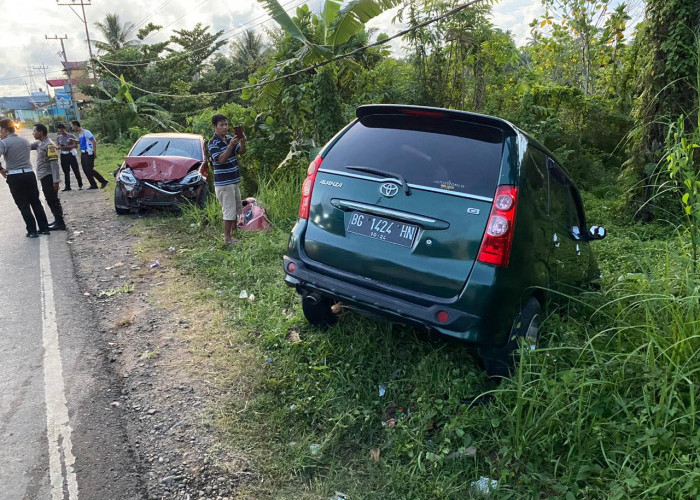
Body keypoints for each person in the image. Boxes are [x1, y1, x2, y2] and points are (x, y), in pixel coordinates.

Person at [0, 118, 50, 237]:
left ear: (5, 130)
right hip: (29, 174)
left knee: (23, 204)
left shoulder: (4, 142)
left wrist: (1, 170)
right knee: (35, 202)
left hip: (15, 176)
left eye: (0, 130)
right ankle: (44, 228)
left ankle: (32, 231)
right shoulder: (25, 140)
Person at [208, 114, 246, 245]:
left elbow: (241, 152)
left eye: (226, 124)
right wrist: (230, 146)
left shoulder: (229, 139)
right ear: (215, 127)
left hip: (234, 181)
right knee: (228, 211)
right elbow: (221, 160)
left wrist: (243, 142)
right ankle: (227, 239)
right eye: (221, 125)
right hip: (224, 183)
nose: (225, 127)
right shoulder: (213, 143)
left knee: (236, 209)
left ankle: (234, 234)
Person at [31, 124, 66, 230]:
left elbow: (54, 164)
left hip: (49, 176)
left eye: (34, 131)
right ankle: (57, 220)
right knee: (49, 199)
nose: (33, 133)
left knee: (52, 199)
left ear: (41, 132)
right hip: (43, 175)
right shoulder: (39, 143)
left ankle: (60, 222)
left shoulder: (49, 145)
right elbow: (27, 146)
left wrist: (56, 181)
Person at [71, 120, 108, 190]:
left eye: (72, 126)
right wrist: (74, 141)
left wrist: (94, 152)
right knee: (85, 169)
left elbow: (94, 141)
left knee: (89, 169)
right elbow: (82, 142)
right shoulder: (80, 134)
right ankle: (93, 184)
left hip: (89, 152)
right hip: (83, 152)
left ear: (76, 125)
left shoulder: (86, 132)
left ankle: (103, 180)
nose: (72, 128)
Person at [55, 122, 83, 190]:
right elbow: (57, 146)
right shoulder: (58, 137)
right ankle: (67, 186)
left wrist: (67, 146)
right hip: (63, 155)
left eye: (62, 131)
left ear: (64, 129)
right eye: (59, 131)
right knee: (66, 171)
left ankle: (80, 184)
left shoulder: (71, 136)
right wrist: (60, 147)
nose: (61, 132)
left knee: (75, 170)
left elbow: (75, 145)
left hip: (71, 154)